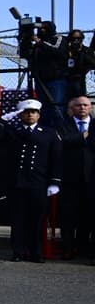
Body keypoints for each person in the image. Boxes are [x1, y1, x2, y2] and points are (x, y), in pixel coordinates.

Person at [0, 98, 63, 262]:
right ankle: (18, 251)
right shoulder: (12, 130)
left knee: (37, 220)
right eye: (26, 112)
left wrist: (55, 181)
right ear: (20, 115)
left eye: (33, 112)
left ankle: (36, 252)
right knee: (18, 219)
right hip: (17, 182)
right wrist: (2, 120)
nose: (30, 115)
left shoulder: (48, 132)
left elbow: (56, 158)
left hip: (38, 183)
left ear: (39, 115)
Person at [57, 95, 94, 259]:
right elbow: (60, 143)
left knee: (88, 215)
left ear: (91, 107)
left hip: (91, 179)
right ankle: (68, 247)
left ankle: (84, 247)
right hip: (70, 179)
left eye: (86, 105)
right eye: (78, 105)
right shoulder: (62, 126)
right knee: (68, 216)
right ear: (72, 109)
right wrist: (81, 137)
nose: (82, 108)